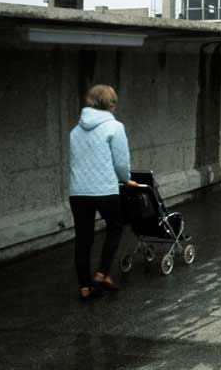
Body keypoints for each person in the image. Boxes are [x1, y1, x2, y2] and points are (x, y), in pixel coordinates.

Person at [69, 84, 139, 300]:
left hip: (79, 192)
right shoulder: (115, 127)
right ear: (110, 104)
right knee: (115, 227)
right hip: (105, 190)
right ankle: (102, 273)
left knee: (83, 238)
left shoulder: (75, 130)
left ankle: (85, 287)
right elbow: (120, 162)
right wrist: (126, 179)